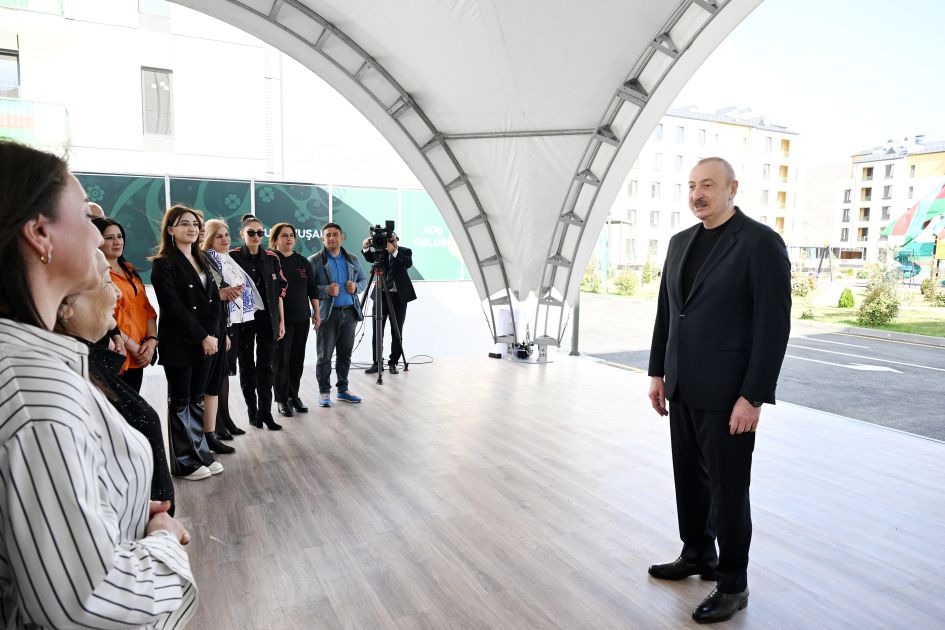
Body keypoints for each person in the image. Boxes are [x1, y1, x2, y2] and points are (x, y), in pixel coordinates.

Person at [0, 139, 195, 627]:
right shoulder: (38, 395)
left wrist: (121, 509)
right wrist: (163, 540)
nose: (99, 235)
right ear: (40, 234)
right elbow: (91, 600)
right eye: (86, 216)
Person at [646, 157, 791, 624]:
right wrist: (657, 372)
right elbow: (667, 313)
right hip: (682, 385)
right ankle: (698, 553)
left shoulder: (760, 243)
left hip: (730, 396)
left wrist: (753, 396)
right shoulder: (680, 242)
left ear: (732, 188)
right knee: (688, 479)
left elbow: (773, 326)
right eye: (692, 185)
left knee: (729, 492)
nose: (697, 194)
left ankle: (732, 584)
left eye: (708, 185)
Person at [56, 250, 176, 512]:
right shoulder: (59, 394)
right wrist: (159, 530)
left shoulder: (87, 370)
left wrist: (149, 340)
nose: (117, 294)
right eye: (105, 281)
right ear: (62, 303)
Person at [151, 204, 224, 480]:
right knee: (181, 401)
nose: (192, 228)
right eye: (184, 223)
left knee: (196, 399)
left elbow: (215, 300)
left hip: (207, 341)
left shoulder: (202, 259)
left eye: (195, 224)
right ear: (170, 229)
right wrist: (202, 336)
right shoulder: (163, 263)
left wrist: (212, 335)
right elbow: (173, 307)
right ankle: (184, 463)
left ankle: (200, 453)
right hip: (181, 341)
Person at [229, 214, 287, 430]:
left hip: (267, 320)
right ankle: (252, 412)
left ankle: (266, 413)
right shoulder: (232, 256)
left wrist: (281, 322)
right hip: (243, 320)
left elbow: (279, 292)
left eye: (260, 233)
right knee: (246, 366)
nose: (256, 236)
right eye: (251, 232)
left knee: (266, 366)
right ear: (242, 234)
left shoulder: (272, 258)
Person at [202, 218, 255, 439]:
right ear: (209, 238)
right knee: (218, 376)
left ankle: (225, 419)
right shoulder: (207, 259)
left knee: (223, 374)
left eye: (226, 235)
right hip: (218, 325)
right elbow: (211, 294)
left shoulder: (226, 258)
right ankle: (217, 424)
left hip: (231, 322)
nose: (225, 239)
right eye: (219, 236)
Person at [94, 216, 158, 392]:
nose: (117, 242)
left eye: (120, 236)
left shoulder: (130, 272)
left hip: (139, 356)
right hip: (116, 353)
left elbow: (148, 310)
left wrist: (151, 342)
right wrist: (133, 347)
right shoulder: (96, 275)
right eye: (110, 238)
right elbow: (103, 317)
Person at [309, 222, 367, 407]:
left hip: (350, 314)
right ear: (322, 239)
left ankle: (343, 390)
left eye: (335, 234)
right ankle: (324, 392)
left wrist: (356, 287)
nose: (332, 238)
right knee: (324, 356)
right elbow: (308, 288)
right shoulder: (314, 261)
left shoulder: (352, 259)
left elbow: (363, 280)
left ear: (342, 237)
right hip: (327, 315)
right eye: (328, 235)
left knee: (345, 354)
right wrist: (326, 290)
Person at [270, 222, 320, 417]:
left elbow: (312, 289)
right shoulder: (271, 260)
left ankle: (293, 395)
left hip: (302, 318)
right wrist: (279, 321)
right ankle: (281, 399)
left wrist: (316, 313)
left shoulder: (302, 261)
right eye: (284, 235)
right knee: (281, 361)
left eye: (291, 235)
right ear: (275, 239)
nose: (289, 238)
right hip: (282, 321)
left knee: (297, 360)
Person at [361, 230, 416, 374]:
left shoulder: (405, 251)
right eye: (389, 239)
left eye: (393, 239)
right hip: (381, 295)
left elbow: (408, 263)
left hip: (399, 297)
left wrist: (394, 251)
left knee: (397, 331)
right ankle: (377, 362)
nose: (391, 241)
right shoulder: (381, 252)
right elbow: (369, 258)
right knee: (377, 330)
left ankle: (393, 363)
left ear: (397, 239)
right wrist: (366, 247)